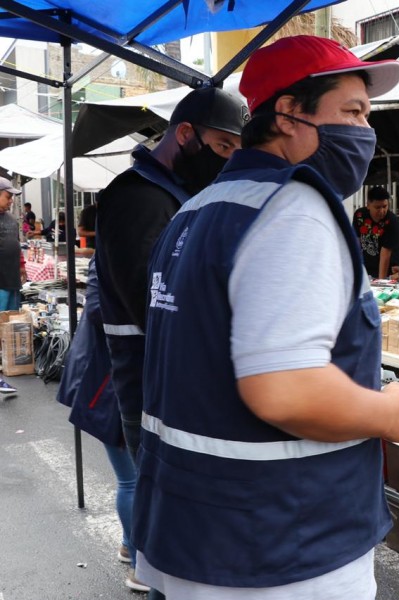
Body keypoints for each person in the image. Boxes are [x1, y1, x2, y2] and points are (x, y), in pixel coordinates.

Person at [133, 35, 399, 599]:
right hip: (280, 539)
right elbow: (286, 390)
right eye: (351, 112)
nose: (364, 133)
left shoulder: (197, 209)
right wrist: (392, 412)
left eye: (367, 116)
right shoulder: (293, 210)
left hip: (191, 528)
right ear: (288, 114)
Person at [94, 86, 248, 600]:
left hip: (169, 373)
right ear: (186, 134)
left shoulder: (172, 192)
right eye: (223, 146)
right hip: (147, 375)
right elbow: (149, 300)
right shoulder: (137, 196)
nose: (227, 160)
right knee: (165, 503)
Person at [56, 258, 148, 593]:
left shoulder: (112, 254)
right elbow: (97, 310)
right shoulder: (113, 259)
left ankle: (128, 543)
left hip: (114, 376)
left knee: (132, 479)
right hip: (111, 380)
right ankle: (140, 566)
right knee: (132, 480)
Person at [353, 185, 399, 279]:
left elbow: (385, 254)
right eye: (377, 207)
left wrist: (381, 282)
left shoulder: (392, 221)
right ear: (368, 205)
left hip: (390, 270)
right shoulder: (359, 215)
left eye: (385, 206)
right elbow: (356, 242)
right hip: (368, 267)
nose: (382, 211)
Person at [0, 177, 25, 312]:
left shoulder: (11, 218)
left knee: (13, 321)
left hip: (13, 280)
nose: (11, 201)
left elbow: (16, 243)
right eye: (8, 197)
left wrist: (21, 265)